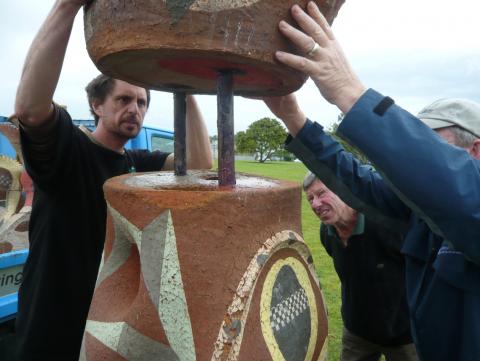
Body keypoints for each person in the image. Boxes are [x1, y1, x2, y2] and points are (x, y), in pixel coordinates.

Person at [261, 2, 480, 361]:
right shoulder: (420, 215)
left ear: (475, 150)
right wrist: (294, 119)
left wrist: (350, 92)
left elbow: (462, 196)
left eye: (431, 144)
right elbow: (358, 180)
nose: (409, 163)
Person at [7, 1, 213, 360]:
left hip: (109, 324)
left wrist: (185, 86)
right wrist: (67, 8)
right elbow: (29, 108)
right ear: (96, 105)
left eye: (142, 102)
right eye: (123, 99)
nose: (135, 108)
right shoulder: (67, 150)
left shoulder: (136, 162)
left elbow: (199, 166)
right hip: (53, 323)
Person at [304, 172, 418, 361]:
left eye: (321, 193)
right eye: (310, 199)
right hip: (356, 333)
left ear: (344, 189)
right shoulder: (327, 233)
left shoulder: (386, 224)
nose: (315, 204)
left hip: (404, 335)